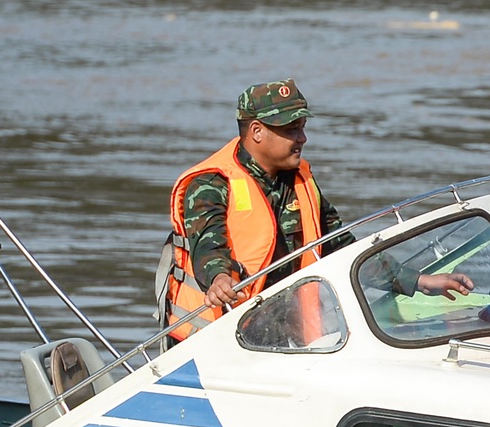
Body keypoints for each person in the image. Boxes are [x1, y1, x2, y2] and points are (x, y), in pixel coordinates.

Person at [162, 79, 472, 340]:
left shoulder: (303, 182)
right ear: (257, 131)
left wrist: (415, 281)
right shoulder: (210, 184)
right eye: (292, 130)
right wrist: (219, 279)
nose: (302, 138)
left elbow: (343, 247)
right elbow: (208, 245)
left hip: (282, 338)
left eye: (302, 127)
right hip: (213, 344)